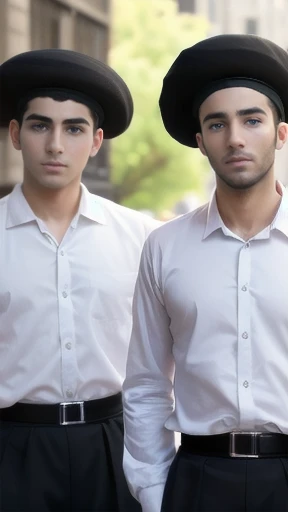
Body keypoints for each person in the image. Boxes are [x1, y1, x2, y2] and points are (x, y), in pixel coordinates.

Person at [123, 34, 288, 512]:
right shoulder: (164, 246)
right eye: (217, 124)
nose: (234, 137)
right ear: (200, 141)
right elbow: (148, 382)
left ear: (280, 133)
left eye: (252, 120)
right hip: (198, 480)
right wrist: (155, 492)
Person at [0, 48, 158, 512]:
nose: (55, 145)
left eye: (74, 128)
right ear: (15, 134)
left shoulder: (143, 237)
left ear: (96, 141)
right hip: (13, 450)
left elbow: (162, 361)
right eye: (39, 125)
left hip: (114, 446)